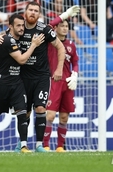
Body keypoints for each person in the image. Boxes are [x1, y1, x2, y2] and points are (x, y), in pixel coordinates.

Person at [0, 2, 80, 152]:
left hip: (42, 77)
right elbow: (6, 34)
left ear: (39, 14)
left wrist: (59, 69)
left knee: (41, 108)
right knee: (25, 111)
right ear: (25, 12)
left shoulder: (44, 30)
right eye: (31, 10)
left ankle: (40, 145)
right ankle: (21, 144)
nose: (33, 13)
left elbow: (60, 47)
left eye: (36, 11)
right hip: (22, 77)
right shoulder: (19, 27)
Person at [0, 14, 45, 153]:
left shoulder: (18, 36)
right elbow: (21, 60)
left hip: (17, 82)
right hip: (2, 83)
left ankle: (24, 146)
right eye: (18, 26)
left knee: (23, 112)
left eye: (22, 25)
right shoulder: (8, 40)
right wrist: (34, 45)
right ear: (11, 27)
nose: (21, 28)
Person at [43, 20, 79, 152]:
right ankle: (45, 145)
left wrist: (75, 74)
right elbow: (48, 26)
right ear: (56, 28)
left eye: (66, 26)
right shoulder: (50, 42)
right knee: (50, 115)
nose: (64, 28)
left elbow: (75, 62)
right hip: (53, 81)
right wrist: (63, 16)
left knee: (64, 117)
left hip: (67, 83)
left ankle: (60, 147)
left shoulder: (71, 45)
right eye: (62, 26)